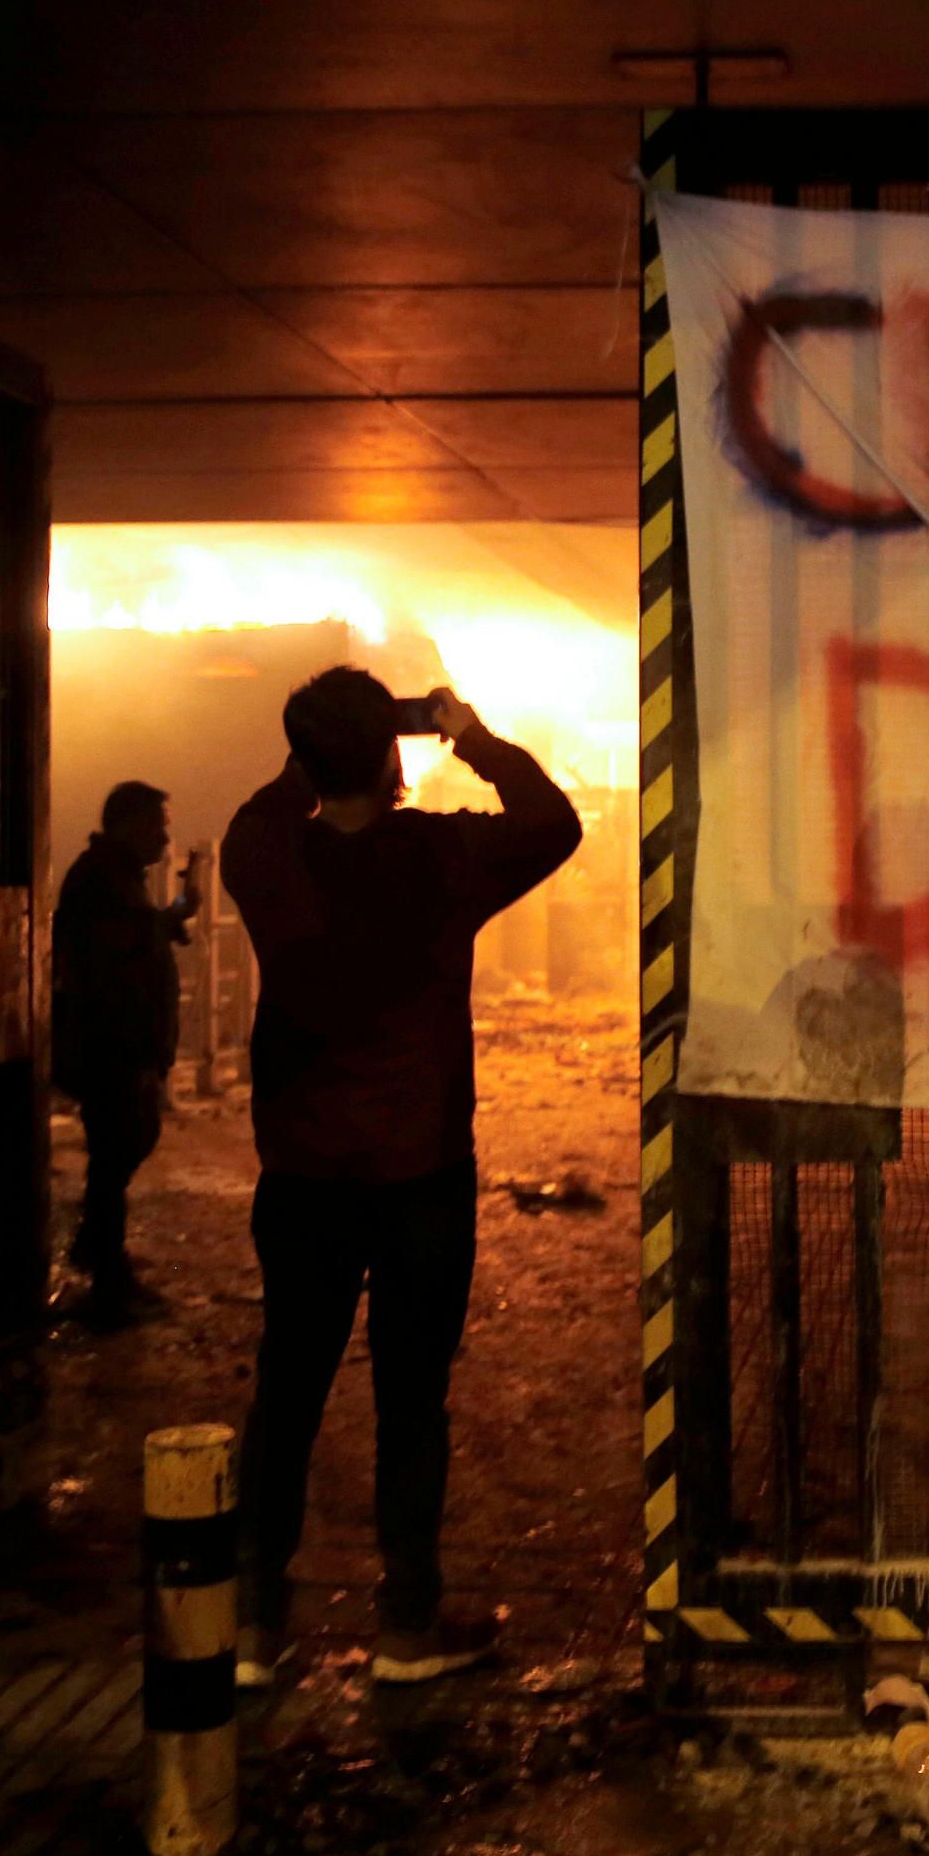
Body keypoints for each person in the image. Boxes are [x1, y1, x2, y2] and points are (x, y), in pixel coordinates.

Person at [222, 669, 581, 1686]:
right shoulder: (442, 853)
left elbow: (274, 797)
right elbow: (553, 820)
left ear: (301, 755)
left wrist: (335, 748)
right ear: (392, 753)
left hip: (300, 1176)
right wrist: (464, 734)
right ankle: (407, 1628)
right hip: (421, 1173)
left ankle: (253, 1627)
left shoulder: (265, 851)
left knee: (286, 1388)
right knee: (412, 1398)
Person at [51, 779, 201, 1324]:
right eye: (158, 828)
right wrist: (138, 1051)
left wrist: (166, 922)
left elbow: (132, 939)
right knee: (116, 1151)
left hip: (120, 1047)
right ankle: (107, 1279)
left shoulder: (115, 880)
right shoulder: (101, 880)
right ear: (129, 824)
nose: (165, 841)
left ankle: (100, 1254)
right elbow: (111, 969)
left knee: (119, 1152)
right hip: (109, 1047)